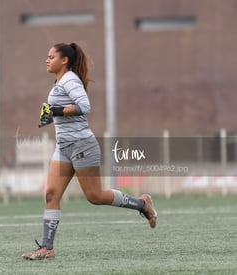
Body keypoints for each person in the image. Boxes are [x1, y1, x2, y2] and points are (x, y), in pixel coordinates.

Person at [22, 43, 157, 260]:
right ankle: (47, 248)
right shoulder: (58, 82)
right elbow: (67, 111)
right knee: (51, 194)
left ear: (64, 60)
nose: (46, 60)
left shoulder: (70, 79)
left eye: (51, 56)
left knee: (94, 196)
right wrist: (51, 116)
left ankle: (142, 204)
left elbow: (84, 106)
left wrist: (56, 110)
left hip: (82, 145)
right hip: (63, 146)